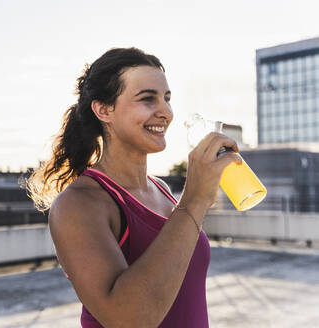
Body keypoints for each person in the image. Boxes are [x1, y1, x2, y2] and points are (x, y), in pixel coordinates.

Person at [25, 47, 241, 327]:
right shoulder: (79, 204)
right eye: (147, 99)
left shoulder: (161, 189)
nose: (165, 112)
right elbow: (129, 320)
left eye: (166, 98)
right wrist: (194, 201)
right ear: (104, 110)